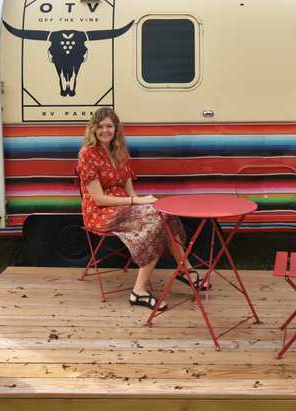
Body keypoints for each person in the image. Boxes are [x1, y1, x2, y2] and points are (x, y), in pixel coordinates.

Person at [77, 107, 208, 311]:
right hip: (100, 212)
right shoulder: (87, 154)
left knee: (165, 215)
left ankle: (185, 270)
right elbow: (99, 199)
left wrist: (143, 204)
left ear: (116, 128)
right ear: (93, 129)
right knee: (156, 223)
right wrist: (137, 203)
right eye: (100, 127)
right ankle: (139, 290)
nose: (105, 131)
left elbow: (130, 190)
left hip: (125, 205)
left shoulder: (119, 151)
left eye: (109, 126)